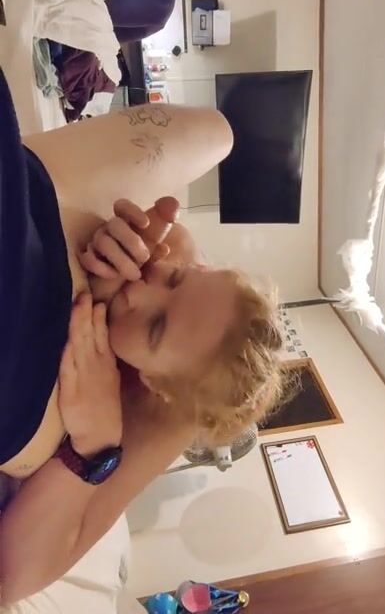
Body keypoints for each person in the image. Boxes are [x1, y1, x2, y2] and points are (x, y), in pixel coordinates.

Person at [0, 69, 285, 604]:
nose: (143, 290)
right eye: (176, 280)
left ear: (158, 382)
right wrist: (155, 245)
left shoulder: (158, 414)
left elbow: (9, 579)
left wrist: (93, 447)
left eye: (156, 327)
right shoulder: (155, 253)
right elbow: (218, 132)